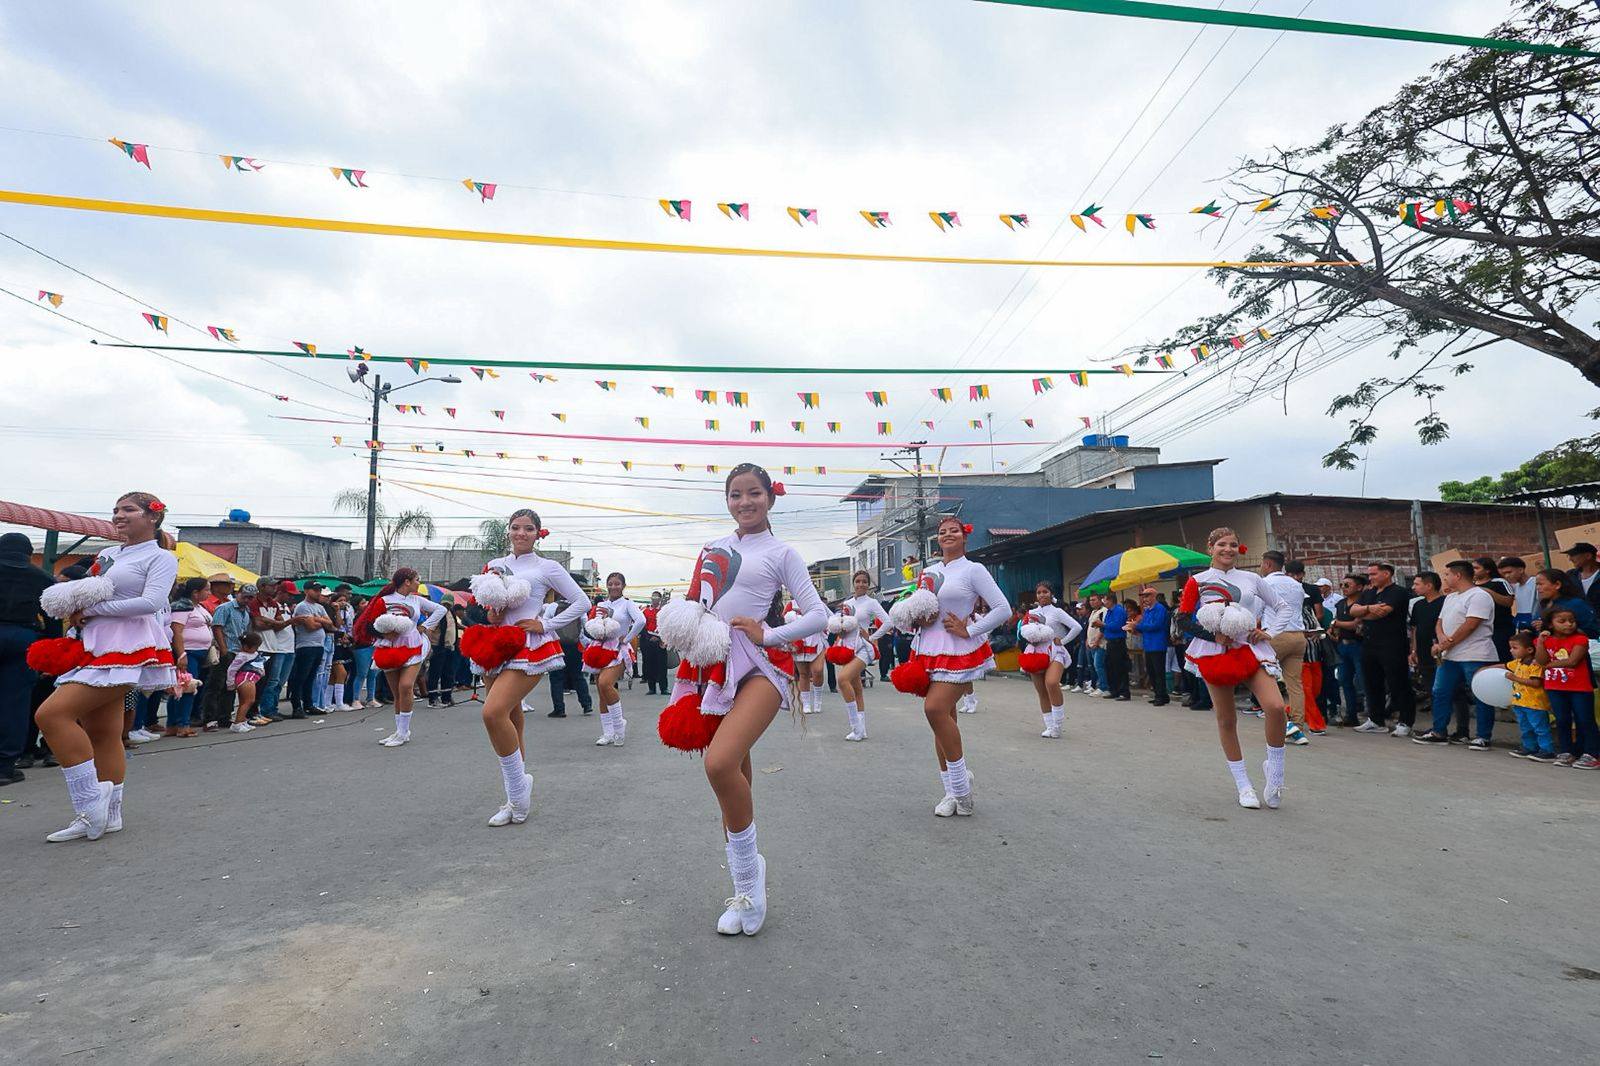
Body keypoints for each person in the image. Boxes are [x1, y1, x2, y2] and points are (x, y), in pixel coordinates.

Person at [652, 463, 826, 935]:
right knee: (734, 778)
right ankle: (745, 886)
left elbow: (818, 615)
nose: (744, 502)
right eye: (735, 494)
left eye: (754, 493)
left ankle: (751, 881)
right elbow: (696, 605)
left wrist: (769, 633)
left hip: (762, 667)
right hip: (713, 666)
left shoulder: (781, 552)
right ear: (726, 500)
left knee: (719, 764)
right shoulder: (712, 548)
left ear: (770, 498)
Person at [34, 492, 179, 842]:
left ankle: (89, 804)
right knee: (102, 732)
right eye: (116, 510)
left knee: (51, 715)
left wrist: (93, 610)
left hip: (128, 644)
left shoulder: (161, 557)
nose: (118, 515)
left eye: (129, 509)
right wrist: (74, 608)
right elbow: (88, 592)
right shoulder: (107, 554)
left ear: (153, 517)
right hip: (94, 643)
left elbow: (152, 602)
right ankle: (110, 814)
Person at [467, 510, 590, 823]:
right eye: (516, 527)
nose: (521, 533)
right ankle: (516, 801)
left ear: (538, 534)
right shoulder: (494, 564)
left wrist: (545, 624)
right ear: (508, 531)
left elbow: (582, 602)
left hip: (528, 645)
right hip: (496, 645)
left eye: (529, 528)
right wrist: (491, 615)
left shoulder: (547, 567)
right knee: (511, 717)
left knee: (492, 713)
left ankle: (519, 789)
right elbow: (482, 606)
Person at [888, 516, 1010, 818]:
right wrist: (918, 618)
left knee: (934, 709)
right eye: (942, 532)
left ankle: (962, 788)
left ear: (964, 536)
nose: (948, 535)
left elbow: (1003, 609)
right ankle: (951, 791)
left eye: (954, 530)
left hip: (958, 649)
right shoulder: (928, 571)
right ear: (937, 539)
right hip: (927, 649)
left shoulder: (973, 569)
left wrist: (970, 630)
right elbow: (920, 608)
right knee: (942, 720)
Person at [1174, 526, 1290, 810]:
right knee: (1227, 720)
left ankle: (1275, 773)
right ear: (1210, 548)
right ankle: (1243, 785)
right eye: (1222, 544)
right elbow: (1183, 619)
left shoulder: (1252, 579)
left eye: (1233, 545)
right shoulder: (1197, 581)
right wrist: (1213, 636)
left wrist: (1269, 631)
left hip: (1251, 648)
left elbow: (1283, 607)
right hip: (1215, 652)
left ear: (1240, 548)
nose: (1228, 549)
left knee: (1276, 707)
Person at [355, 567, 448, 747]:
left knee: (406, 686)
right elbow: (368, 625)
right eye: (417, 580)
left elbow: (440, 610)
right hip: (389, 647)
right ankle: (400, 731)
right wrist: (384, 634)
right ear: (407, 581)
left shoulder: (417, 600)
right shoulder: (384, 600)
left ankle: (404, 731)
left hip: (413, 645)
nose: (418, 583)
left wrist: (425, 626)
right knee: (397, 692)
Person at [1413, 560, 1499, 749]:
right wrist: (1442, 640)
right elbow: (1440, 622)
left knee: (1480, 694)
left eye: (1447, 574)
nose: (1445, 578)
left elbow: (1471, 624)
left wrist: (1446, 643)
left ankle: (1483, 736)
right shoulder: (1451, 597)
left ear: (1458, 575)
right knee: (1440, 692)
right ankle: (1439, 731)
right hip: (1450, 656)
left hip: (1475, 654)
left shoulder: (1479, 595)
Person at [0, 532, 55, 786]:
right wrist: (50, 655)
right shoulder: (42, 578)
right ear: (29, 553)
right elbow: (53, 618)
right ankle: (5, 767)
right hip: (23, 640)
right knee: (15, 703)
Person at [583, 572, 647, 747]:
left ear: (623, 586)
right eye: (610, 583)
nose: (613, 587)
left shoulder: (627, 604)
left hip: (618, 649)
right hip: (599, 648)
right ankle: (608, 732)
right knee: (601, 691)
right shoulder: (601, 604)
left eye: (617, 584)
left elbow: (641, 621)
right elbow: (592, 624)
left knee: (605, 683)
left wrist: (627, 638)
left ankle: (619, 725)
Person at [1350, 563, 1412, 736]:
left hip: (1392, 644)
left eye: (1374, 574)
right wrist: (1369, 608)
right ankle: (1376, 720)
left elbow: (1383, 612)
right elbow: (1353, 610)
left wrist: (1363, 614)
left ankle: (1405, 721)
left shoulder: (1398, 592)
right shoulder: (1369, 593)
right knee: (1372, 683)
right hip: (1370, 644)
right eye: (1369, 574)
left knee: (1398, 683)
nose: (1370, 578)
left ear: (1386, 574)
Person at [829, 570, 891, 742]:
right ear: (853, 583)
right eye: (858, 581)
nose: (861, 584)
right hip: (847, 648)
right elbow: (840, 624)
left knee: (842, 680)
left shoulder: (872, 602)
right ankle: (861, 730)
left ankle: (855, 727)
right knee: (856, 689)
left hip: (863, 648)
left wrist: (871, 637)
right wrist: (840, 630)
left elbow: (888, 622)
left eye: (864, 581)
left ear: (868, 584)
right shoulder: (847, 603)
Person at [1017, 581, 1083, 738]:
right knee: (1042, 691)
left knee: (1052, 683)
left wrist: (1063, 641)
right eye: (1039, 592)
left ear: (1051, 593)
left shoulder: (1057, 612)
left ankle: (1058, 725)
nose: (1042, 595)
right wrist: (1030, 638)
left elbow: (1077, 627)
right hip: (1035, 652)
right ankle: (1049, 726)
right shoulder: (1031, 612)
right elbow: (1023, 631)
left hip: (1055, 651)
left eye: (1045, 592)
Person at [1259, 552, 1311, 744]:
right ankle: (1298, 727)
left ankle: (1284, 722)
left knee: (1261, 678)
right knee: (1295, 684)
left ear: (1267, 564)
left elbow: (1257, 610)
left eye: (1262, 564)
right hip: (1298, 636)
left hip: (1276, 635)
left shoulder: (1265, 583)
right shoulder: (1296, 584)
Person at [1536, 607, 1597, 769]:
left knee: (1584, 720)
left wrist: (1549, 665)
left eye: (1572, 621)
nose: (1568, 624)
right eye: (1562, 621)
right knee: (1562, 720)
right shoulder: (1545, 640)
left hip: (1579, 688)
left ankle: (1592, 753)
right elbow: (1541, 660)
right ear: (1550, 624)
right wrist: (1540, 642)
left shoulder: (1580, 639)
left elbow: (1572, 661)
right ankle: (1567, 751)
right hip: (1554, 686)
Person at [166, 577, 213, 737]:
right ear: (195, 592)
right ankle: (182, 724)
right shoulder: (182, 607)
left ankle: (174, 724)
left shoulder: (198, 607)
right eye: (206, 590)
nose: (209, 593)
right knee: (187, 687)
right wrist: (182, 654)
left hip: (199, 652)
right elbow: (177, 631)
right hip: (188, 651)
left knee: (183, 687)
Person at [1406, 572, 1450, 734]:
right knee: (1431, 689)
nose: (1413, 587)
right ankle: (1438, 726)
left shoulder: (1445, 602)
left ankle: (1462, 729)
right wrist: (1414, 650)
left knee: (1452, 692)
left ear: (1429, 585)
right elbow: (1415, 629)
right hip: (1423, 653)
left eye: (1417, 584)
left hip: (1442, 652)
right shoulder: (1418, 605)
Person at [206, 583, 252, 730]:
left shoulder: (246, 611)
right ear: (238, 594)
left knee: (230, 686)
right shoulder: (225, 608)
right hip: (225, 651)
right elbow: (217, 628)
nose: (247, 600)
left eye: (250, 598)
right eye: (245, 596)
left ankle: (224, 717)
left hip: (238, 652)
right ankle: (210, 719)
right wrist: (224, 649)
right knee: (216, 685)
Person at [1504, 629, 1554, 762]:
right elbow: (1505, 666)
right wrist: (1486, 668)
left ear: (1530, 650)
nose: (1511, 651)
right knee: (1525, 727)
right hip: (1520, 702)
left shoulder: (1535, 664)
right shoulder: (1518, 662)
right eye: (1511, 648)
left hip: (1535, 704)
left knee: (1540, 728)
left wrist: (1515, 678)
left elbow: (1536, 683)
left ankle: (1547, 750)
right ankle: (1529, 747)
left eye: (1515, 648)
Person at [250, 579, 295, 720]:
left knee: (270, 681)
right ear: (262, 586)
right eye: (271, 585)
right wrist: (275, 623)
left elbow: (280, 624)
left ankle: (267, 710)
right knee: (260, 682)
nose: (274, 588)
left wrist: (268, 621)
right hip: (259, 647)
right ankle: (258, 711)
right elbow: (257, 624)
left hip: (273, 647)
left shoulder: (272, 604)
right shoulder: (254, 602)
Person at [287, 581, 333, 718]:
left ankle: (309, 704)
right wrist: (322, 621)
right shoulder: (302, 606)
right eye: (315, 590)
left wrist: (318, 620)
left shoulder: (319, 607)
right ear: (306, 591)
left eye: (319, 590)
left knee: (311, 677)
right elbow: (310, 627)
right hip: (306, 645)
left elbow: (330, 623)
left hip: (319, 645)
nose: (318, 593)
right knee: (301, 677)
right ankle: (297, 706)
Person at [1327, 574, 1367, 725]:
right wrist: (1333, 628)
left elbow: (1355, 625)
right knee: (1345, 680)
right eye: (1342, 585)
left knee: (1363, 681)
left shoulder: (1362, 603)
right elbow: (1337, 622)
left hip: (1359, 645)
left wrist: (1336, 623)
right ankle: (1351, 715)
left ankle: (1373, 716)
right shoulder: (1341, 604)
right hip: (1342, 645)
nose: (1343, 588)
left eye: (1347, 585)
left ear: (1359, 587)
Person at [784, 597, 825, 714]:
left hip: (816, 641)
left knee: (818, 670)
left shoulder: (816, 601)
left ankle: (818, 700)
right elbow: (785, 623)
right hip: (798, 643)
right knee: (803, 674)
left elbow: (827, 616)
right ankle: (806, 703)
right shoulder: (791, 605)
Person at [1533, 568, 1600, 638]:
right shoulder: (1543, 605)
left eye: (1541, 584)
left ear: (1557, 585)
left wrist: (1556, 628)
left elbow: (1593, 631)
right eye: (1537, 584)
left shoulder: (1576, 604)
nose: (1538, 588)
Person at [1472, 556, 1516, 662]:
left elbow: (1509, 602)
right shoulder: (1471, 585)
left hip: (1500, 627)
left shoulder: (1499, 582)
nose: (1473, 571)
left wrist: (1488, 592)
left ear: (1487, 570)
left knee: (1503, 656)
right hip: (1480, 629)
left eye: (1476, 568)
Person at [226, 630, 267, 733]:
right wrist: (230, 683)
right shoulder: (242, 656)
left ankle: (242, 721)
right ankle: (237, 724)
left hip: (250, 678)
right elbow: (232, 669)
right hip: (246, 679)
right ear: (246, 647)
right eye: (255, 647)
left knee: (243, 702)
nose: (256, 649)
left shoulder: (254, 654)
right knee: (249, 701)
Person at [1136, 586, 1170, 707]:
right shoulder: (1147, 610)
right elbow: (1145, 625)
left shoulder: (1159, 608)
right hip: (1148, 644)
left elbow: (1156, 625)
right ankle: (1159, 695)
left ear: (1154, 596)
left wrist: (1137, 626)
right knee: (1151, 671)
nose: (1145, 599)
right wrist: (1137, 627)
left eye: (1147, 596)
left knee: (1158, 672)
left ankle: (1161, 696)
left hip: (1157, 644)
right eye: (1144, 596)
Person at [425, 597, 459, 707]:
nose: (446, 606)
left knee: (448, 673)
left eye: (448, 604)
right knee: (435, 673)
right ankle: (433, 699)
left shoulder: (451, 613)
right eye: (444, 604)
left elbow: (453, 625)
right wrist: (429, 646)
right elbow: (429, 630)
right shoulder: (438, 614)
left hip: (450, 647)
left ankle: (446, 697)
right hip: (438, 647)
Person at [1101, 595, 1131, 701]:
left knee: (1120, 667)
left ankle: (1124, 692)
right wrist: (1102, 626)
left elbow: (1117, 626)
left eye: (1105, 600)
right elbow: (1107, 625)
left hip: (1118, 641)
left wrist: (1103, 625)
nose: (1104, 602)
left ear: (1110, 600)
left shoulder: (1119, 611)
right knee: (1110, 666)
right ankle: (1114, 690)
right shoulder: (1109, 611)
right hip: (1110, 642)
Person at [1499, 556, 1538, 631]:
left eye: (1509, 572)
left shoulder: (1535, 583)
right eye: (1504, 574)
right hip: (1522, 622)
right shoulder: (1515, 586)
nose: (1507, 576)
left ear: (1521, 570)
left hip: (1535, 622)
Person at [641, 590, 668, 695]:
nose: (654, 599)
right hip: (649, 641)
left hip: (661, 641)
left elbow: (666, 626)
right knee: (649, 665)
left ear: (660, 599)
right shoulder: (645, 611)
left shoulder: (663, 611)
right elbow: (642, 626)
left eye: (656, 597)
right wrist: (649, 637)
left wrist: (659, 637)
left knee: (662, 665)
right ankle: (651, 688)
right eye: (653, 597)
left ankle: (664, 688)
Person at [1564, 541, 1600, 611]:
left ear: (1588, 556)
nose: (1570, 559)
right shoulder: (1570, 575)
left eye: (1573, 554)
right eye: (1569, 555)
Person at [1084, 594, 1107, 696]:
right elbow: (1090, 627)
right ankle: (1096, 685)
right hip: (1091, 643)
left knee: (1099, 665)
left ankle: (1104, 687)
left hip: (1100, 644)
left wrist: (1097, 641)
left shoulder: (1103, 611)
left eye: (1094, 600)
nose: (1091, 602)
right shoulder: (1093, 612)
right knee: (1094, 666)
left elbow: (1102, 627)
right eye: (1090, 600)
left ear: (1100, 600)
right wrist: (1087, 640)